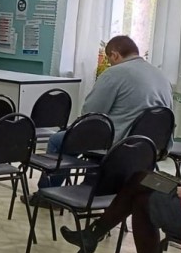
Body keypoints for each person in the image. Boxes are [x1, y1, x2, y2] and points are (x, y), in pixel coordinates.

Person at [39, 35, 173, 188]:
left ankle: (46, 193)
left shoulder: (115, 73)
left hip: (117, 143)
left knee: (57, 141)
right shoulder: (161, 76)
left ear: (114, 55)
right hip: (152, 146)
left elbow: (91, 113)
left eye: (109, 60)